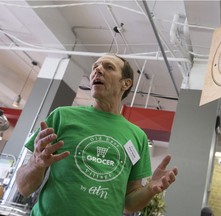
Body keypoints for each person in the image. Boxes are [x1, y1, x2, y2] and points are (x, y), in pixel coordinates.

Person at [15, 54, 178, 216]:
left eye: (109, 67)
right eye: (95, 67)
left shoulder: (137, 136)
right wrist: (36, 164)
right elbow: (24, 188)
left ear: (126, 83)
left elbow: (129, 205)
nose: (97, 70)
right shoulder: (62, 116)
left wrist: (149, 190)